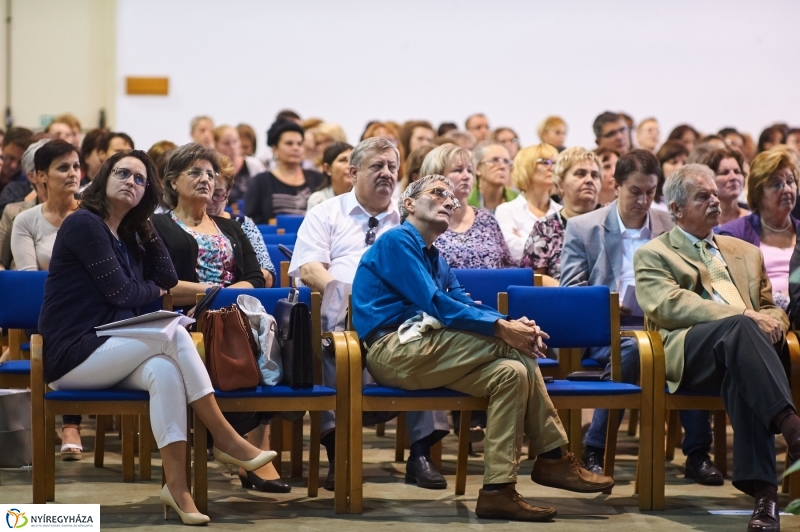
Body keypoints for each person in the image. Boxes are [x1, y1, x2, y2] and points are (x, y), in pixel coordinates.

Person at [352, 174, 614, 522]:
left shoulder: (436, 257)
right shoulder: (397, 240)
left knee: (512, 373)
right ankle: (553, 457)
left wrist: (514, 324)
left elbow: (466, 303)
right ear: (410, 204)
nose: (449, 201)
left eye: (453, 199)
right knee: (511, 348)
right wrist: (504, 331)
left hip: (429, 350)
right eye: (438, 194)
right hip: (394, 349)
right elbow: (435, 303)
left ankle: (497, 491)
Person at [39, 148, 275, 525]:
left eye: (140, 180)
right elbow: (123, 294)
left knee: (164, 371)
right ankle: (226, 438)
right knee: (174, 333)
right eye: (123, 173)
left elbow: (164, 279)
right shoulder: (84, 224)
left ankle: (178, 489)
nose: (131, 182)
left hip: (110, 346)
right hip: (72, 353)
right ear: (103, 178)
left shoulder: (128, 230)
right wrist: (148, 288)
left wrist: (144, 222)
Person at [635, 163, 798, 532]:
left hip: (743, 353)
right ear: (676, 209)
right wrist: (744, 314)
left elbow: (770, 306)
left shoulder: (744, 251)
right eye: (702, 196)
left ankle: (765, 500)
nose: (715, 201)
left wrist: (774, 322)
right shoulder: (654, 254)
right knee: (740, 328)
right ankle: (792, 426)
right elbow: (669, 305)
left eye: (715, 193)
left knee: (743, 365)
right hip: (691, 352)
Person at [288, 137, 449, 492]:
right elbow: (310, 269)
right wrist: (351, 298)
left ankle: (420, 454)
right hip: (340, 312)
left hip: (401, 317)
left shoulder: (411, 219)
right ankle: (338, 452)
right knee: (337, 341)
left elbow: (427, 273)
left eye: (392, 167)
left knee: (432, 337)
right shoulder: (325, 213)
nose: (387, 173)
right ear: (352, 172)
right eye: (377, 166)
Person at [560, 150, 718, 483]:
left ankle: (698, 453)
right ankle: (594, 447)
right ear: (615, 186)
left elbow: (697, 276)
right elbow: (571, 291)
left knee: (688, 348)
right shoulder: (583, 228)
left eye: (650, 192)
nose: (643, 200)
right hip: (608, 330)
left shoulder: (670, 223)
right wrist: (606, 303)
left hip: (666, 325)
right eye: (635, 191)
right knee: (634, 351)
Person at [152, 143, 267, 307]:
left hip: (235, 314)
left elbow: (255, 279)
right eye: (195, 173)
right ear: (173, 182)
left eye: (210, 175)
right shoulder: (156, 225)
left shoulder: (233, 227)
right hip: (184, 317)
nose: (205, 179)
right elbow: (160, 285)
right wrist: (213, 297)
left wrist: (219, 299)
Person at [718, 148, 798, 312]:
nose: (787, 189)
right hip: (763, 316)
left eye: (790, 182)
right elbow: (732, 291)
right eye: (777, 184)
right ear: (758, 193)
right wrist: (780, 299)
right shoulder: (734, 234)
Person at [422, 144, 515, 268]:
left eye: (469, 170)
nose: (466, 176)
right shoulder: (423, 224)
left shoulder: (487, 220)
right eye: (457, 170)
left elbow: (509, 267)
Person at [521, 147, 601, 282]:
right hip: (559, 300)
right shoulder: (545, 228)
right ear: (560, 183)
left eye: (595, 175)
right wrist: (567, 291)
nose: (589, 180)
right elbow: (532, 278)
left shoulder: (612, 222)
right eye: (580, 174)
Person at [207, 156, 276, 287]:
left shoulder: (243, 223)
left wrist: (230, 290)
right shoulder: (185, 224)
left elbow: (267, 275)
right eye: (205, 193)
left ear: (228, 192)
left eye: (217, 194)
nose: (209, 201)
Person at [244, 120, 324, 224]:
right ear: (275, 149)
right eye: (289, 143)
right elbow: (251, 221)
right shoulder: (260, 182)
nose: (296, 148)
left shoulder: (318, 179)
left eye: (299, 144)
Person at [494, 143, 560, 262]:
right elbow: (513, 251)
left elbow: (568, 252)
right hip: (521, 279)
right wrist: (553, 245)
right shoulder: (506, 210)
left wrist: (526, 240)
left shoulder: (560, 212)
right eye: (545, 162)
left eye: (555, 163)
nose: (553, 168)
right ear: (526, 167)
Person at [0, 140, 49, 270]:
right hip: (21, 285)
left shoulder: (84, 211)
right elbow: (1, 262)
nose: (69, 173)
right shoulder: (13, 212)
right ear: (32, 176)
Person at [213, 125, 267, 205]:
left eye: (235, 141)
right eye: (226, 143)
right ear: (216, 145)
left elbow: (266, 194)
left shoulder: (254, 165)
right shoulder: (212, 168)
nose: (232, 147)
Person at [699, 148, 749, 225]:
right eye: (724, 173)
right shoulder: (701, 223)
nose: (733, 177)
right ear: (709, 179)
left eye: (737, 171)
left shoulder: (754, 219)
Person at [468, 140, 519, 214]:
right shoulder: (465, 202)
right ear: (478, 168)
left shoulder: (518, 201)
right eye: (494, 160)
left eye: (506, 161)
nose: (502, 166)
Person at [307, 142, 353, 211]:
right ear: (327, 168)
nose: (350, 166)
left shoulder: (365, 197)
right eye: (343, 160)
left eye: (353, 160)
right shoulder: (318, 200)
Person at [655, 140, 689, 212]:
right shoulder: (651, 203)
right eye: (674, 162)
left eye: (684, 163)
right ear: (660, 165)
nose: (680, 167)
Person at [0, 127, 33, 195]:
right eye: (11, 158)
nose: (13, 166)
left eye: (20, 162)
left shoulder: (29, 182)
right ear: (2, 146)